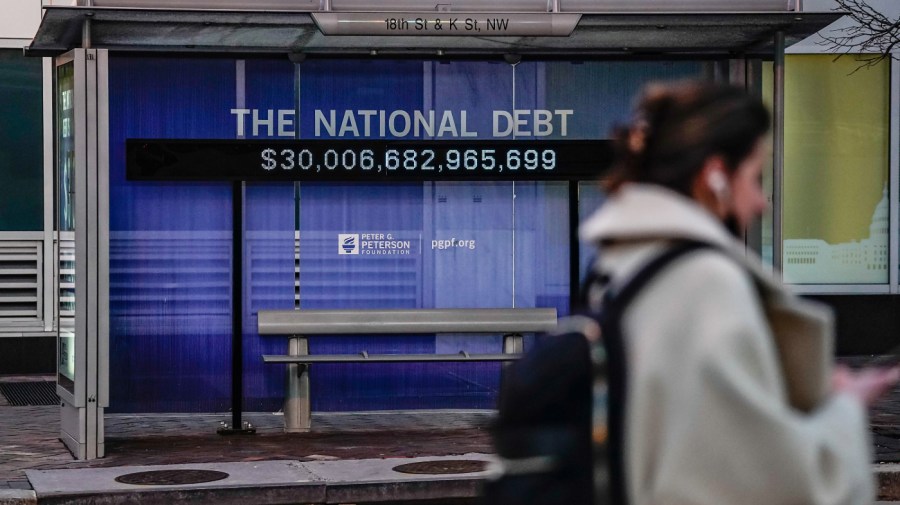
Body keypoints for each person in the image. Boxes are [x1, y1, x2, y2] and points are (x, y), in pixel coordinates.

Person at [578, 80, 899, 505]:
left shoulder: (618, 266)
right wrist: (845, 408)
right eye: (754, 176)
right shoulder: (705, 284)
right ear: (715, 176)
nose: (761, 201)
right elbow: (777, 486)